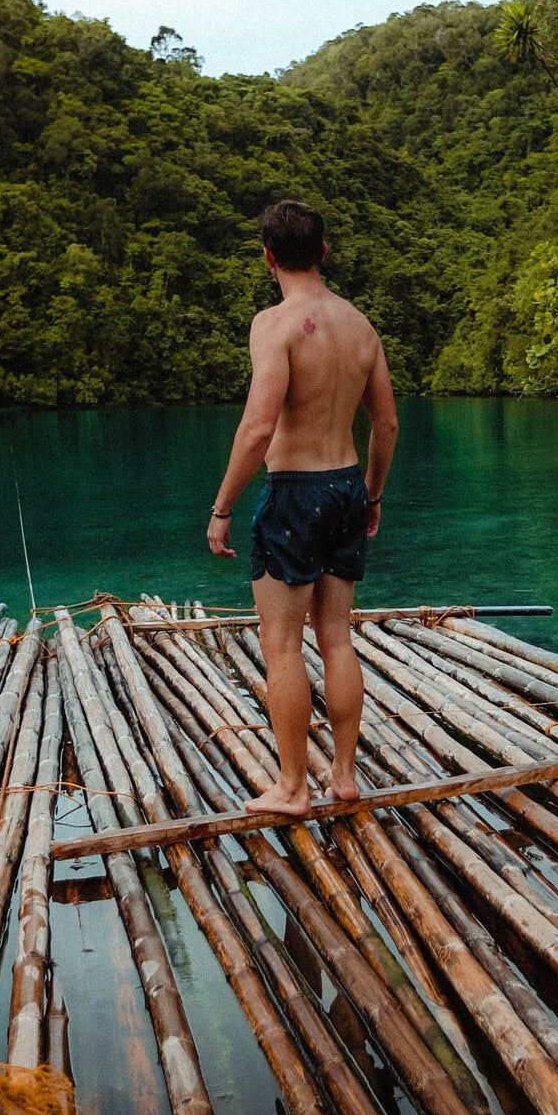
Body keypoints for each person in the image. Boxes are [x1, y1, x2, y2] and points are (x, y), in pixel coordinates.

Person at [207, 199, 398, 816]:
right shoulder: (361, 326)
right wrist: (371, 493)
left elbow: (259, 427)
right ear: (323, 251)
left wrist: (222, 507)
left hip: (294, 492)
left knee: (282, 645)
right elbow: (387, 424)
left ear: (267, 258)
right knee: (337, 636)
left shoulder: (274, 325)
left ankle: (292, 789)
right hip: (345, 484)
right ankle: (343, 776)